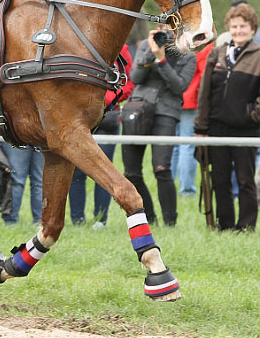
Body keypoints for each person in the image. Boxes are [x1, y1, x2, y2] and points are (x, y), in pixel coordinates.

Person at [195, 2, 260, 231]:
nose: (238, 31)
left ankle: (246, 226)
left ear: (252, 29)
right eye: (234, 26)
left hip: (246, 129)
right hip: (216, 128)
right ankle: (225, 225)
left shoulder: (258, 56)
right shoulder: (218, 53)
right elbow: (204, 93)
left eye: (243, 26)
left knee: (245, 179)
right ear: (228, 28)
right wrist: (201, 127)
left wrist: (252, 115)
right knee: (219, 179)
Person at [121, 26, 194, 226]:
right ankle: (149, 218)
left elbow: (179, 86)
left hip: (166, 113)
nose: (167, 34)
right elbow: (136, 77)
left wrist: (162, 60)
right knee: (131, 172)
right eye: (163, 28)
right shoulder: (146, 45)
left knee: (161, 169)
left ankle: (170, 223)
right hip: (138, 110)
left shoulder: (187, 53)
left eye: (172, 29)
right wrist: (151, 52)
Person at [67, 45, 135, 228]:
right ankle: (77, 219)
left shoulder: (121, 49)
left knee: (104, 172)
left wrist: (101, 101)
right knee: (76, 171)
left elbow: (128, 83)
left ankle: (101, 219)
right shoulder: (79, 44)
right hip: (80, 118)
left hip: (107, 118)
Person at [171, 41, 212, 196]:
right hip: (191, 99)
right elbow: (204, 75)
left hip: (172, 98)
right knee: (187, 145)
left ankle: (169, 186)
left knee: (174, 145)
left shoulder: (178, 40)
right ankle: (186, 190)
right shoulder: (204, 44)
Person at [0, 142, 44, 225]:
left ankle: (11, 219)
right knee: (39, 182)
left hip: (17, 138)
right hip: (41, 139)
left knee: (16, 181)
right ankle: (40, 220)